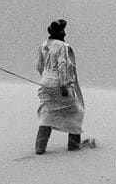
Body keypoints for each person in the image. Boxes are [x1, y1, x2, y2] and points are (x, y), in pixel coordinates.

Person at [35, 19, 94, 153]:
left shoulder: (44, 44)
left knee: (47, 113)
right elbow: (63, 66)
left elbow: (38, 65)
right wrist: (63, 85)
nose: (65, 33)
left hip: (45, 83)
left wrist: (45, 77)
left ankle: (40, 147)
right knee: (76, 112)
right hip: (59, 83)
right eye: (63, 30)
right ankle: (74, 145)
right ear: (60, 32)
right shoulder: (62, 46)